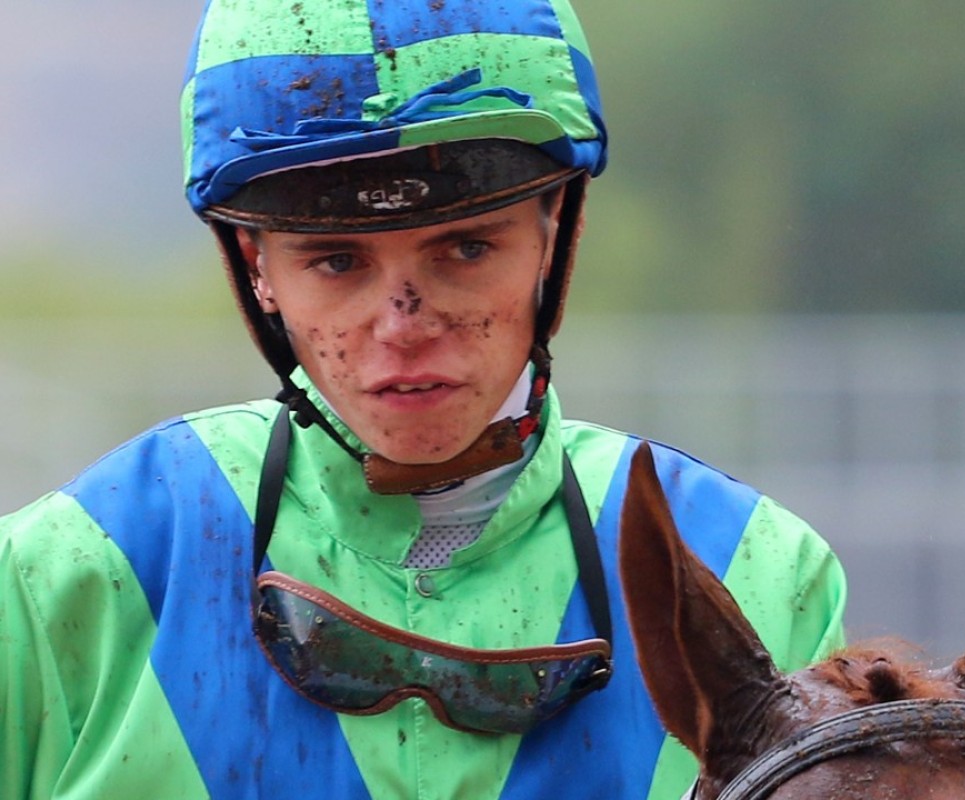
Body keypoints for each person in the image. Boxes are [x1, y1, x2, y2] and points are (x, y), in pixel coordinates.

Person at [0, 1, 846, 797]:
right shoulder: (63, 575)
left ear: (556, 230)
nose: (403, 325)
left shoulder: (760, 573)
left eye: (467, 248)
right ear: (256, 267)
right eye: (338, 262)